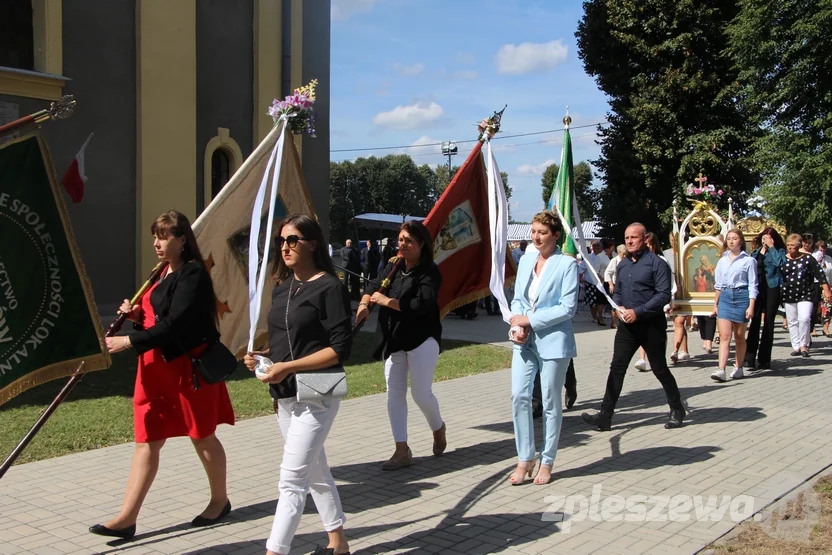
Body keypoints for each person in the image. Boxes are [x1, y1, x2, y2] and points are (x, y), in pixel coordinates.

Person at [91, 211, 235, 540]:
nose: (157, 243)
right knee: (147, 440)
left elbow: (176, 325)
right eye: (155, 236)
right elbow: (158, 317)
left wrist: (128, 340)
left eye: (164, 236)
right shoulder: (160, 273)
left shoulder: (194, 274)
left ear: (182, 239)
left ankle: (219, 500)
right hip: (154, 370)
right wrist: (137, 314)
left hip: (187, 370)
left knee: (202, 436)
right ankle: (127, 518)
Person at [244, 214, 352, 555]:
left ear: (313, 244)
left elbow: (339, 349)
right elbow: (285, 340)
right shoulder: (282, 287)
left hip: (319, 390)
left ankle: (275, 550)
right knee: (315, 470)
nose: (285, 247)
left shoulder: (330, 287)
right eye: (282, 241)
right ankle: (338, 544)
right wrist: (261, 357)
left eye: (293, 240)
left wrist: (286, 366)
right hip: (285, 394)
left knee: (291, 480)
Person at [356, 221, 446, 471]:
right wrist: (364, 304)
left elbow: (420, 305)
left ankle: (438, 427)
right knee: (394, 393)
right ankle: (401, 449)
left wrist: (388, 301)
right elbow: (373, 286)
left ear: (421, 245)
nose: (403, 244)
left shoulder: (430, 271)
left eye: (409, 241)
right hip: (393, 338)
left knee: (420, 393)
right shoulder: (393, 265)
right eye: (401, 239)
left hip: (422, 338)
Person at [582, 223, 686, 431]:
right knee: (617, 368)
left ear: (645, 239)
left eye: (634, 238)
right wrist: (618, 307)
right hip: (627, 327)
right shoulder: (623, 264)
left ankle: (676, 408)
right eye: (626, 237)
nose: (629, 241)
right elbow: (618, 290)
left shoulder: (657, 264)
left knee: (659, 368)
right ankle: (605, 415)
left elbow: (663, 295)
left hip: (650, 326)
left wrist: (637, 311)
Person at [507, 211, 578, 485]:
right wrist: (518, 324)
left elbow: (567, 308)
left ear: (555, 235)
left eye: (542, 232)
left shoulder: (566, 264)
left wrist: (531, 321)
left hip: (554, 342)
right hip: (524, 341)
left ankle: (547, 460)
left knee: (549, 402)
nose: (536, 237)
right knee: (518, 396)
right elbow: (518, 300)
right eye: (534, 231)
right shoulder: (525, 259)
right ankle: (525, 457)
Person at [710, 229, 757, 382]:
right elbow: (718, 285)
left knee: (739, 336)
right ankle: (721, 369)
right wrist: (715, 304)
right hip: (725, 296)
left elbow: (753, 285)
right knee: (725, 336)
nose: (731, 241)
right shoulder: (722, 261)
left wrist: (751, 306)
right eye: (729, 239)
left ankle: (738, 366)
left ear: (741, 241)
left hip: (741, 296)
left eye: (734, 238)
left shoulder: (748, 261)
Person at [781, 234, 832, 357]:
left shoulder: (807, 258)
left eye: (792, 245)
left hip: (806, 293)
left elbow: (819, 273)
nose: (790, 247)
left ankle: (804, 345)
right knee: (792, 321)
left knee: (804, 318)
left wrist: (826, 289)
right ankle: (796, 345)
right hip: (788, 293)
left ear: (799, 246)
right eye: (788, 245)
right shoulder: (783, 259)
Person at [744, 228, 786, 370]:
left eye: (768, 238)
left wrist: (772, 247)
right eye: (763, 238)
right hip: (758, 288)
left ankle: (764, 359)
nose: (765, 241)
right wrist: (761, 252)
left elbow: (781, 263)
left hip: (772, 287)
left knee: (768, 322)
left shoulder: (779, 251)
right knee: (754, 322)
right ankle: (749, 357)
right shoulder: (756, 252)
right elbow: (751, 266)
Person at [605, 244, 627, 329]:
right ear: (619, 253)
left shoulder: (628, 260)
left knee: (624, 303)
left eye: (626, 254)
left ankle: (623, 320)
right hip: (615, 285)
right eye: (623, 254)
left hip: (625, 285)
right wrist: (610, 284)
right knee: (615, 304)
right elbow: (607, 273)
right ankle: (613, 322)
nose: (624, 256)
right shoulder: (614, 260)